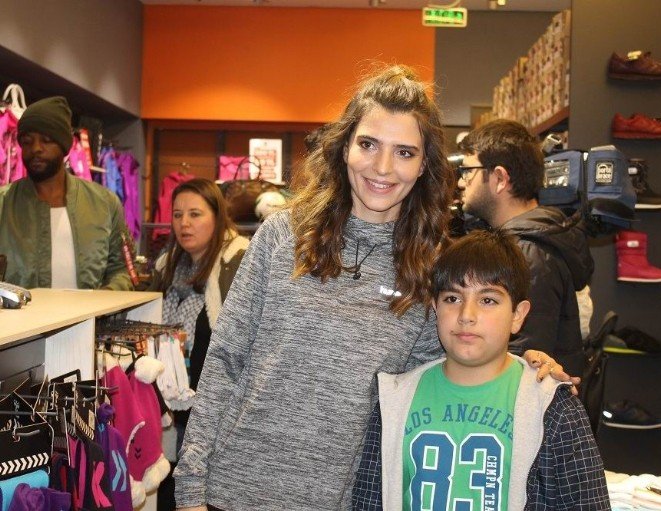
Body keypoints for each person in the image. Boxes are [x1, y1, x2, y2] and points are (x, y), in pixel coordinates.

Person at [173, 65, 569, 511]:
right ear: (345, 147)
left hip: (342, 500)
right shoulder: (282, 234)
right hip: (230, 491)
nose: (383, 168)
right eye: (368, 144)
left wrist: (523, 367)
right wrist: (190, 487)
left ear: (424, 165)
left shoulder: (433, 266)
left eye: (404, 152)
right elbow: (225, 359)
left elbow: (445, 373)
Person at [353, 230, 610, 510]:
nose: (467, 315)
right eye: (452, 298)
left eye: (488, 300)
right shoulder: (394, 400)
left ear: (518, 315)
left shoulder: (552, 406)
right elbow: (368, 500)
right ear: (435, 308)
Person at [457, 119, 594, 376]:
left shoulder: (528, 253)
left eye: (468, 171)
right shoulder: (528, 243)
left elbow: (522, 361)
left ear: (500, 178)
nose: (462, 182)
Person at [151, 178, 249, 510]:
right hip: (171, 406)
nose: (184, 223)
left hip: (216, 411)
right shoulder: (167, 266)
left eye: (195, 214)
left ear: (217, 217)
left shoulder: (238, 263)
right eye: (177, 215)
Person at [0, 96, 133, 290]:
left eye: (46, 140)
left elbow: (122, 270)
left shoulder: (104, 204)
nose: (35, 148)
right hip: (23, 311)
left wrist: (105, 298)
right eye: (27, 142)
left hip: (92, 310)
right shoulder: (4, 204)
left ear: (64, 145)